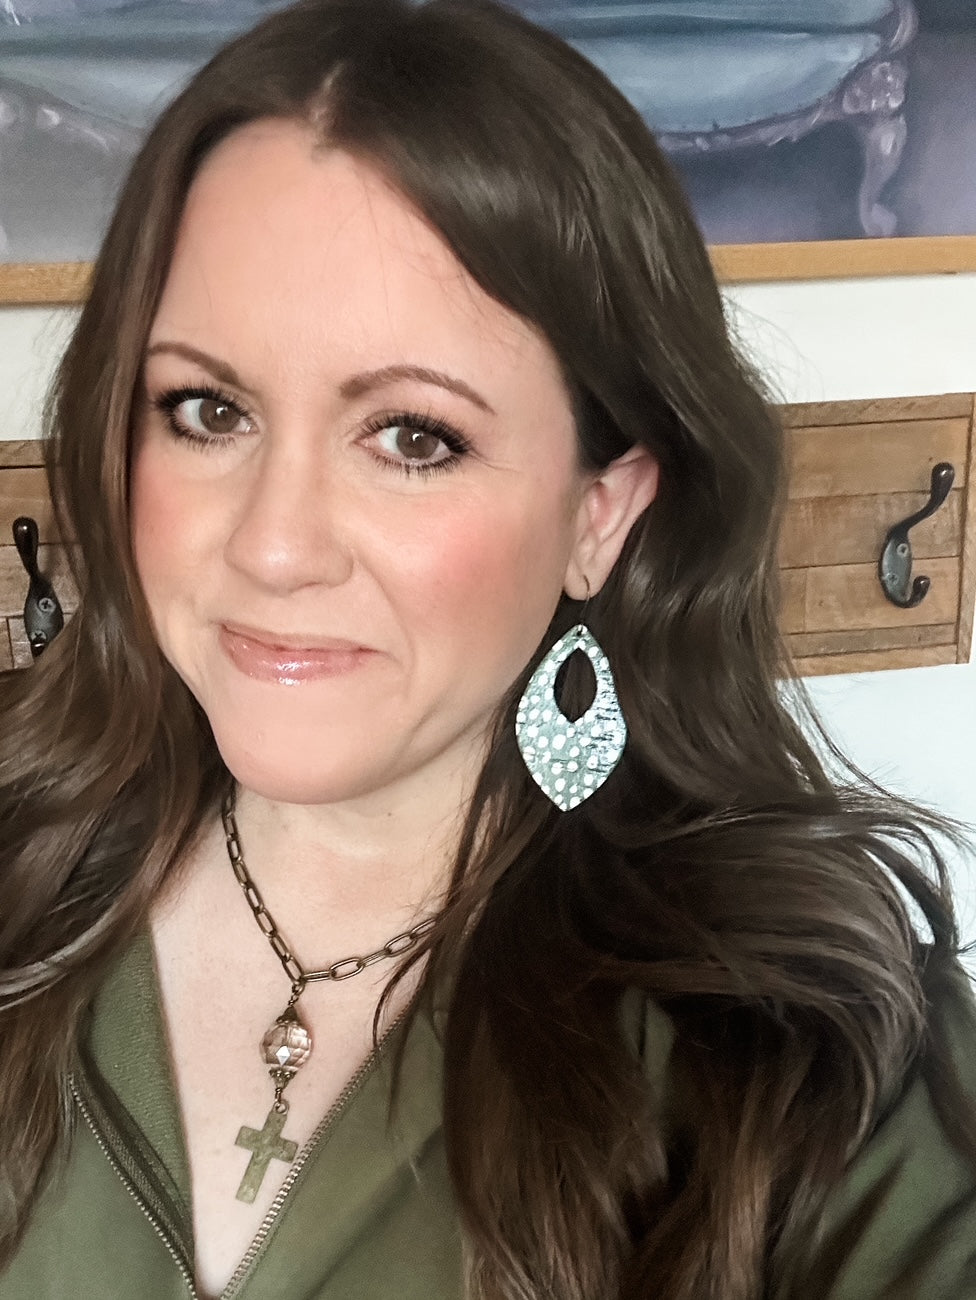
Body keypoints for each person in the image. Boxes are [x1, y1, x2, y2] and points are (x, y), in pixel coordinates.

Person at [1, 0, 975, 1295]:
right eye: (207, 408)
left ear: (600, 514)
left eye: (414, 436)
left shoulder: (811, 1050)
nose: (275, 547)